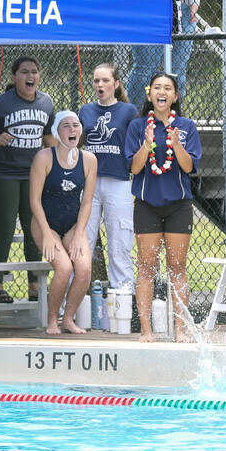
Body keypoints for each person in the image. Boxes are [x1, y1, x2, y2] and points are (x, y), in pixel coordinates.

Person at [124, 72, 201, 342]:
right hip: (147, 205)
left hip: (178, 205)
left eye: (168, 88)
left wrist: (176, 144)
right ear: (150, 94)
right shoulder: (137, 127)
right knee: (146, 267)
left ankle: (180, 328)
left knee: (177, 266)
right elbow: (134, 168)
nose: (162, 92)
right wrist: (147, 144)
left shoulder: (186, 126)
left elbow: (189, 167)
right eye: (157, 87)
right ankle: (146, 330)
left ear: (175, 96)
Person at [0, 56, 56, 304]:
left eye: (34, 71)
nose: (30, 76)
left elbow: (48, 138)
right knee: (6, 226)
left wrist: (62, 160)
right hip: (3, 172)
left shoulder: (46, 102)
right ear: (14, 76)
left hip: (33, 173)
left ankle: (34, 285)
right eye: (24, 72)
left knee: (33, 225)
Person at [30, 111, 97, 335]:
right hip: (44, 223)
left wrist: (79, 234)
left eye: (76, 125)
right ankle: (52, 319)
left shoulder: (89, 160)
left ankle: (68, 319)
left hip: (71, 225)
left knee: (84, 269)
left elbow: (87, 202)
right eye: (66, 125)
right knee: (64, 268)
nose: (72, 129)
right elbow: (34, 200)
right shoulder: (44, 158)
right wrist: (47, 234)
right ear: (57, 132)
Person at [79, 63, 139, 291]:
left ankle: (123, 296)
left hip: (118, 181)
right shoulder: (86, 111)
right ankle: (75, 300)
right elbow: (77, 142)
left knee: (119, 243)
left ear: (116, 84)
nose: (100, 85)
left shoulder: (128, 111)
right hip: (90, 182)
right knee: (83, 240)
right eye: (96, 80)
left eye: (105, 80)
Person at [127, 0, 200, 109]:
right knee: (146, 68)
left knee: (178, 69)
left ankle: (173, 116)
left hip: (184, 1)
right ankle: (135, 116)